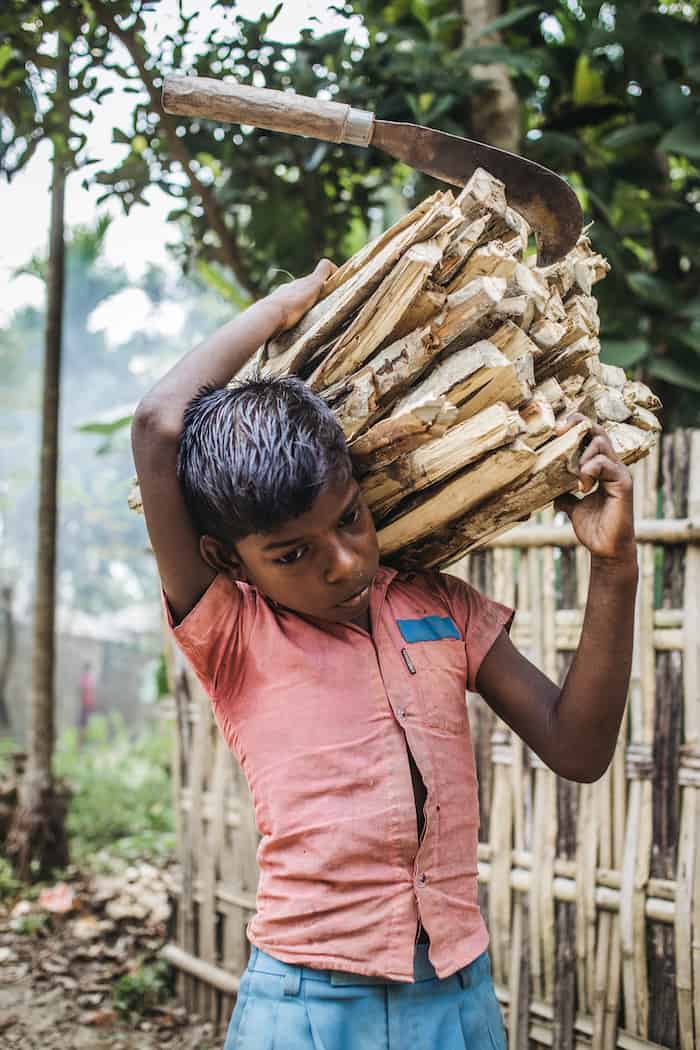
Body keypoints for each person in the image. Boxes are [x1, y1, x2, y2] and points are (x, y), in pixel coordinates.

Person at [131, 259, 638, 1050]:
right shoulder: (232, 632)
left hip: (457, 994)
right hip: (303, 1000)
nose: (342, 562)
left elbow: (578, 748)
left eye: (351, 520)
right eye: (292, 554)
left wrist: (613, 569)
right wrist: (288, 303)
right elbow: (160, 424)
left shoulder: (439, 606)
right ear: (230, 562)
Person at [78, 660, 96, 744]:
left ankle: (83, 742)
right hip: (85, 705)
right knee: (83, 725)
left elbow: (89, 693)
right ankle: (81, 742)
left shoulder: (88, 679)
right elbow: (83, 692)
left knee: (85, 725)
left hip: (87, 705)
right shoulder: (85, 679)